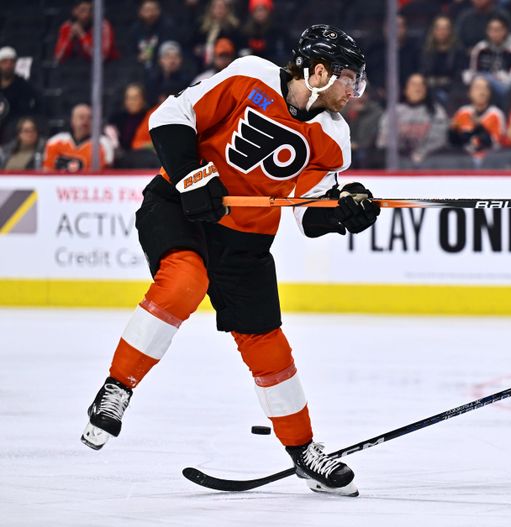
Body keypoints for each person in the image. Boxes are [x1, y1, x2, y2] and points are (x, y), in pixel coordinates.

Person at [80, 24, 379, 498]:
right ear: (317, 71)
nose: (354, 90)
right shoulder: (251, 76)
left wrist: (346, 210)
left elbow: (308, 213)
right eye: (348, 78)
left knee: (267, 343)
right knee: (183, 281)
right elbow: (170, 117)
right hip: (181, 209)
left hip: (245, 243)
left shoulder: (334, 138)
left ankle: (303, 451)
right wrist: (193, 178)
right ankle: (118, 387)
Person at [376, 72, 448, 168]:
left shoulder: (435, 111)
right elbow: (384, 138)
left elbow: (439, 139)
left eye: (422, 84)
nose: (418, 88)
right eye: (413, 84)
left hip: (428, 162)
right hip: (398, 162)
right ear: (406, 89)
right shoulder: (394, 111)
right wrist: (401, 153)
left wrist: (421, 152)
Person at [43, 103, 114, 172]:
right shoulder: (55, 142)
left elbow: (104, 174)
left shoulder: (103, 144)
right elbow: (47, 171)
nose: (85, 121)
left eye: (90, 118)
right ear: (72, 120)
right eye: (81, 117)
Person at [54, 0, 119, 64]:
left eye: (90, 10)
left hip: (108, 67)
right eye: (82, 10)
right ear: (75, 11)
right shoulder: (67, 27)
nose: (86, 14)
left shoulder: (103, 26)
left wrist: (82, 35)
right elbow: (58, 57)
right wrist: (69, 39)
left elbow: (101, 57)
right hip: (78, 67)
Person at [0, 46, 41, 144]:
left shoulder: (24, 86)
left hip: (14, 129)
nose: (8, 65)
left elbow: (29, 110)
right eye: (5, 62)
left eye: (11, 62)